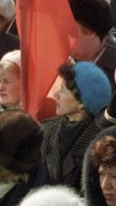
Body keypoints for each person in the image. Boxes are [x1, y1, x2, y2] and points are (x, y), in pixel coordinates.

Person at [37, 60, 112, 189]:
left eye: (62, 91)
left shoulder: (99, 142)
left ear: (82, 102)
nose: (55, 95)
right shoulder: (45, 129)